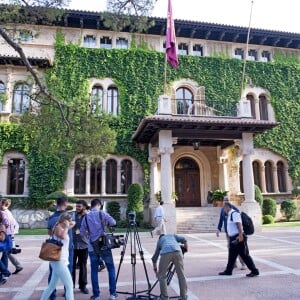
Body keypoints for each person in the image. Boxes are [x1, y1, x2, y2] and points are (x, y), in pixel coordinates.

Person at [80, 198, 117, 300]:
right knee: (111, 269)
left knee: (94, 271)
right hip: (104, 245)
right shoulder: (103, 213)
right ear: (99, 205)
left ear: (91, 205)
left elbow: (82, 232)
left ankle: (96, 295)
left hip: (92, 247)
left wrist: (88, 233)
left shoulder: (86, 217)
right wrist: (106, 224)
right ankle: (112, 294)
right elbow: (113, 222)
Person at [218, 202, 259, 277]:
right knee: (232, 256)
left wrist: (240, 235)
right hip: (232, 238)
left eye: (224, 208)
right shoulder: (230, 214)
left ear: (227, 207)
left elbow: (239, 224)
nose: (223, 210)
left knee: (245, 255)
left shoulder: (234, 214)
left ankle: (254, 271)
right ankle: (228, 271)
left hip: (238, 238)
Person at [40, 212, 75, 300]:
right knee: (69, 285)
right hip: (59, 260)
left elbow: (73, 224)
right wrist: (67, 227)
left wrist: (68, 224)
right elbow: (62, 236)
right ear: (64, 220)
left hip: (61, 260)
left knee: (52, 286)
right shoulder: (58, 227)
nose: (70, 222)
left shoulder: (62, 227)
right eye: (69, 220)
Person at [47, 197, 74, 300]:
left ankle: (52, 297)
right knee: (68, 277)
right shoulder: (68, 216)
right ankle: (68, 296)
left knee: (53, 275)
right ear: (66, 203)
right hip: (66, 251)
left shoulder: (52, 218)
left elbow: (49, 233)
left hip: (54, 249)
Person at [152, 234, 188, 300]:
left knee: (162, 276)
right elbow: (184, 239)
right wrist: (186, 248)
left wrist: (156, 271)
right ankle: (184, 297)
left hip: (166, 253)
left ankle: (164, 298)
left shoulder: (160, 240)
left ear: (160, 237)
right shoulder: (172, 236)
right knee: (181, 275)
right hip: (178, 252)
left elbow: (154, 258)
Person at [216, 196, 246, 270]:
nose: (226, 201)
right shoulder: (223, 210)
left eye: (227, 200)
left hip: (235, 233)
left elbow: (239, 221)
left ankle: (243, 264)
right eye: (225, 200)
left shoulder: (234, 209)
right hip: (228, 233)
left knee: (238, 249)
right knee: (230, 248)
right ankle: (233, 263)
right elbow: (221, 220)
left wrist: (240, 233)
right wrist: (218, 229)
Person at [0, 198, 23, 275]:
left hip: (5, 235)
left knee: (5, 253)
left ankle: (5, 272)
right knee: (7, 253)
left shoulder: (3, 212)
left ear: (3, 204)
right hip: (9, 235)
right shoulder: (8, 212)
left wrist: (3, 229)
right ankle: (17, 266)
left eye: (0, 203)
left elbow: (6, 222)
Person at [72, 200, 89, 294]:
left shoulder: (88, 216)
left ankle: (83, 286)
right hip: (73, 245)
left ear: (84, 207)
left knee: (83, 266)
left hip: (84, 245)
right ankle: (70, 286)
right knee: (71, 267)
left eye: (79, 206)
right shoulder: (72, 215)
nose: (77, 208)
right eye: (76, 206)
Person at [0, 211, 10, 285]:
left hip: (2, 246)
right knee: (4, 259)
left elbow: (2, 238)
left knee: (4, 258)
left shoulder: (1, 226)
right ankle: (4, 274)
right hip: (3, 247)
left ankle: (5, 272)